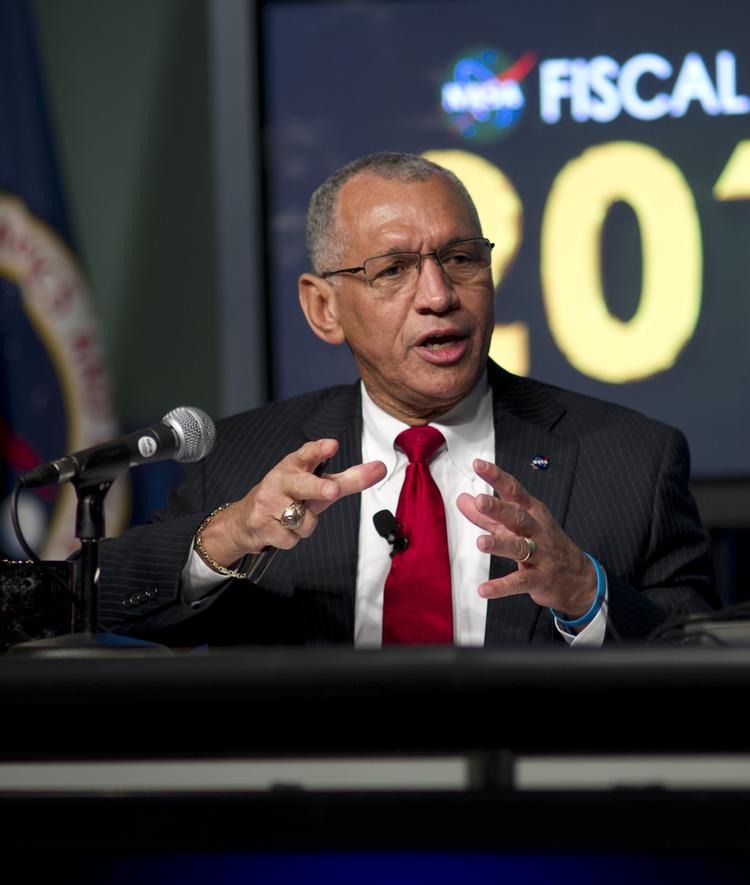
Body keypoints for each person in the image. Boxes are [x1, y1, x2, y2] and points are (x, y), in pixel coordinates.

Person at [98, 152, 717, 647]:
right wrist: (229, 535)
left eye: (461, 258)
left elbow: (700, 668)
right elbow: (96, 607)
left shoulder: (634, 459)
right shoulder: (241, 463)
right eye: (393, 269)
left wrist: (586, 591)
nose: (439, 295)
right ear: (323, 307)